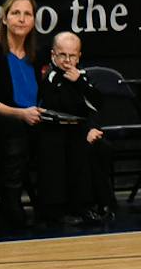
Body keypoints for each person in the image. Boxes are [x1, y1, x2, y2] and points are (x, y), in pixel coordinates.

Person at [0, 0, 44, 231]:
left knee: (58, 137)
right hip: (2, 118)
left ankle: (54, 209)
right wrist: (20, 114)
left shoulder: (37, 54)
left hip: (35, 117)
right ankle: (10, 209)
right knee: (16, 135)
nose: (22, 19)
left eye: (27, 14)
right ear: (4, 19)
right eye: (16, 13)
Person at [34, 31, 114, 226]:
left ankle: (104, 203)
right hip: (56, 128)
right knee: (69, 147)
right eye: (62, 55)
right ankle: (68, 208)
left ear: (79, 57)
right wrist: (85, 128)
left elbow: (96, 104)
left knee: (102, 146)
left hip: (80, 128)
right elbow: (63, 106)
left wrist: (92, 127)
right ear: (53, 55)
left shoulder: (82, 77)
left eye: (72, 56)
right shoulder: (50, 77)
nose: (67, 61)